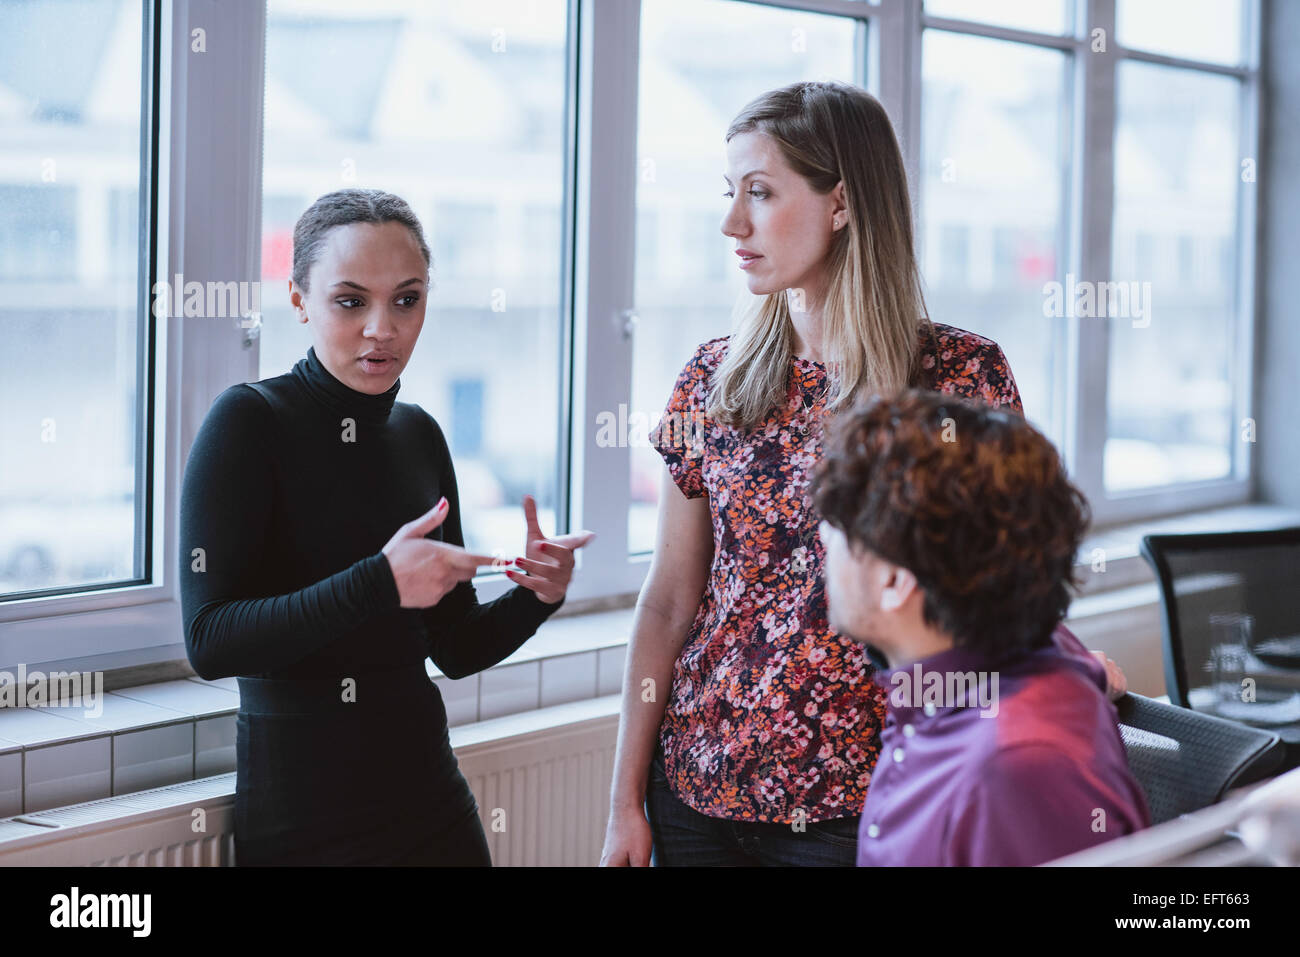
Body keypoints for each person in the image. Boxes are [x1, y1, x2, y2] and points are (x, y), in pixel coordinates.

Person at [599, 80, 1124, 867]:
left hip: (867, 798)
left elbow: (1001, 574)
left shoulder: (960, 377)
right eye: (729, 193)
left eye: (761, 193)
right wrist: (623, 804)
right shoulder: (713, 376)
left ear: (841, 203)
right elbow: (671, 598)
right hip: (696, 792)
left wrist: (1070, 664)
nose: (731, 222)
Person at [179, 188, 593, 866]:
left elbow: (454, 648)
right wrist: (378, 579)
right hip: (303, 815)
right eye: (351, 301)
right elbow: (210, 641)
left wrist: (537, 596)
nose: (382, 327)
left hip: (430, 795)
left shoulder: (419, 433)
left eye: (407, 299)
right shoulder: (249, 422)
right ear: (298, 300)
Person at [811, 389, 1151, 865]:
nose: (823, 542)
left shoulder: (1017, 768)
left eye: (837, 531)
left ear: (894, 581)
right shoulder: (976, 666)